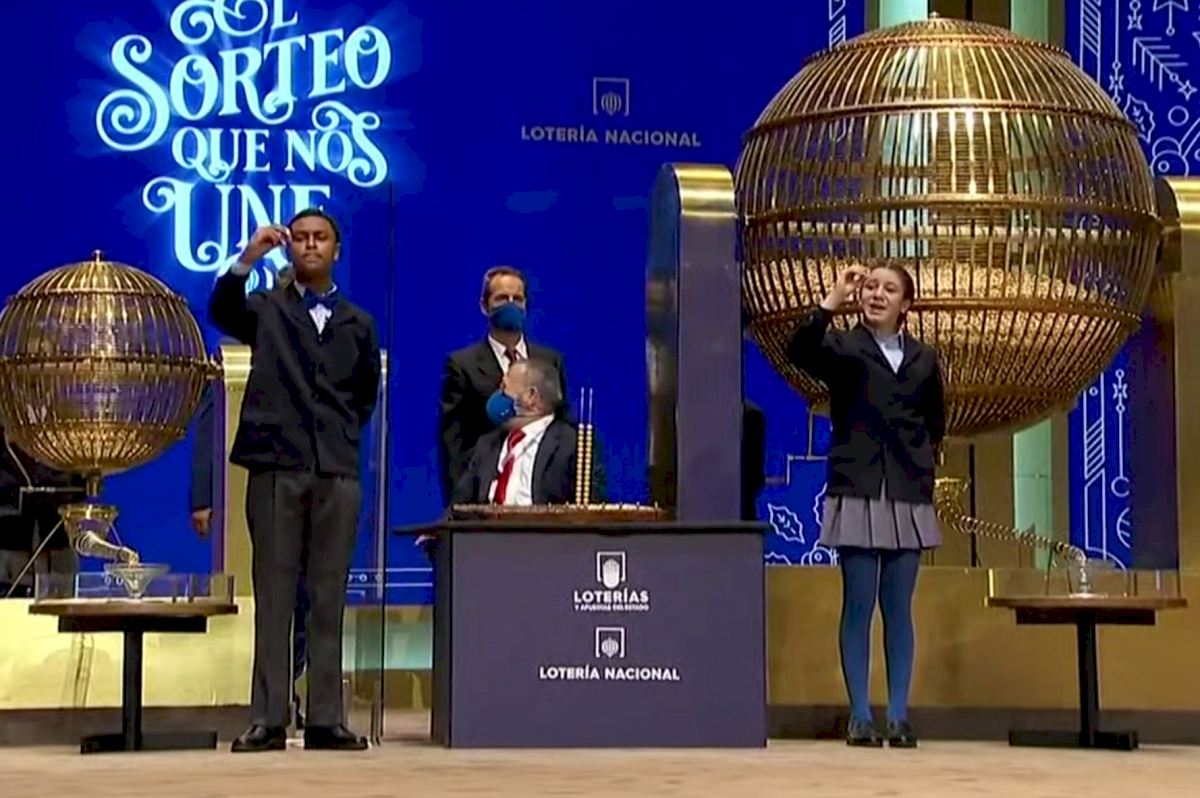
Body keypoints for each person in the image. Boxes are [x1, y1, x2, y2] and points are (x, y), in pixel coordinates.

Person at [209, 209, 380, 753]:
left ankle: (326, 719)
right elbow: (222, 310)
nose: (310, 245)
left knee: (328, 595)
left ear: (336, 250)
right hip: (276, 465)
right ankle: (268, 718)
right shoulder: (266, 308)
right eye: (300, 238)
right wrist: (248, 257)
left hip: (335, 468)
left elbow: (364, 395)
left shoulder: (358, 321)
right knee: (275, 594)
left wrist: (337, 437)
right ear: (289, 248)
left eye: (320, 238)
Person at [786, 263, 945, 749]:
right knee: (858, 604)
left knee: (898, 607)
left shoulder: (924, 358)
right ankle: (859, 715)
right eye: (871, 287)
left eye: (889, 289)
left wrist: (923, 469)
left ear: (906, 304)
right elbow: (799, 351)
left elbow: (935, 422)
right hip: (856, 486)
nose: (877, 294)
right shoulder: (843, 347)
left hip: (908, 492)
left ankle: (898, 715)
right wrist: (832, 299)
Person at [188, 369, 311, 731]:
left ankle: (292, 691)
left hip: (315, 484)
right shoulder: (237, 368)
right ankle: (268, 702)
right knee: (272, 598)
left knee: (304, 600)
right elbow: (211, 424)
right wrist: (203, 495)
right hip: (262, 487)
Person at [438, 267, 567, 505]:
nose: (510, 305)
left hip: (541, 490)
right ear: (484, 306)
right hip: (485, 491)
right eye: (501, 298)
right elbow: (454, 443)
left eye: (517, 299)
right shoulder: (462, 365)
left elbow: (563, 426)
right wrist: (460, 505)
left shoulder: (550, 362)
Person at [452, 359, 604, 506]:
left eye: (504, 388)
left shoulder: (573, 445)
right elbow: (458, 506)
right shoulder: (487, 445)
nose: (498, 395)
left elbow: (588, 510)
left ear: (531, 396)